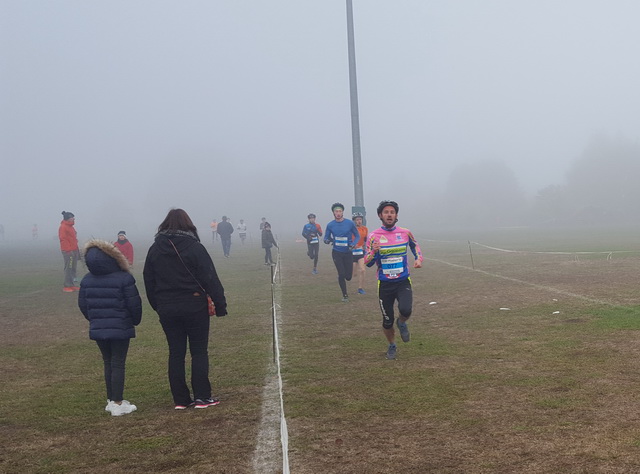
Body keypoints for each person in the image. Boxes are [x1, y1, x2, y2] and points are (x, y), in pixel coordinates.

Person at [143, 208, 227, 410]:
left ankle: (181, 399)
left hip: (167, 308)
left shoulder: (154, 249)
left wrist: (158, 305)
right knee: (198, 351)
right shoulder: (195, 247)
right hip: (194, 305)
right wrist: (220, 304)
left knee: (176, 352)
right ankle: (202, 396)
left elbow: (149, 281)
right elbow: (210, 277)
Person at [78, 239, 142, 416]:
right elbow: (134, 304)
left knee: (108, 362)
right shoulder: (124, 278)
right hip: (120, 326)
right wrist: (134, 320)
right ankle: (117, 402)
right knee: (118, 363)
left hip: (99, 326)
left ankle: (111, 399)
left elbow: (83, 304)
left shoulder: (86, 280)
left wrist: (94, 319)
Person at [365, 200, 423, 360]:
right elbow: (368, 262)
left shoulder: (405, 232)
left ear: (396, 215)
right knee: (387, 320)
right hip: (385, 284)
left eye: (392, 212)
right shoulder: (373, 236)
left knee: (406, 310)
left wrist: (418, 259)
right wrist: (374, 252)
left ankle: (402, 322)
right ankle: (392, 345)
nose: (389, 215)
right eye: (386, 212)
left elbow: (415, 245)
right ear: (380, 215)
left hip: (403, 281)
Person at [324, 203, 359, 302]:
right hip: (336, 252)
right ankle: (345, 295)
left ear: (343, 212)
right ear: (333, 213)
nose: (338, 213)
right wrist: (327, 240)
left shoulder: (349, 223)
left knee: (348, 277)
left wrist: (353, 243)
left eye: (340, 211)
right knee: (341, 273)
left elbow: (357, 236)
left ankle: (343, 277)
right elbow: (326, 237)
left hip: (348, 252)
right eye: (336, 211)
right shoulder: (330, 225)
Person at [59, 211, 80, 292]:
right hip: (68, 252)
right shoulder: (63, 227)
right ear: (68, 218)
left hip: (74, 250)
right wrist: (68, 250)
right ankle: (67, 286)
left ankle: (73, 284)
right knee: (69, 268)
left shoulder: (71, 227)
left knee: (73, 268)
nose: (74, 219)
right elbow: (63, 239)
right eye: (72, 218)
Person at [352, 212, 368, 294]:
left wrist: (365, 246)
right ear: (354, 221)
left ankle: (360, 288)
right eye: (357, 220)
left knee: (362, 270)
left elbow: (366, 239)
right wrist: (352, 245)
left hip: (361, 252)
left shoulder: (365, 229)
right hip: (352, 252)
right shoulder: (351, 229)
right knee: (353, 273)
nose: (359, 221)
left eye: (360, 219)